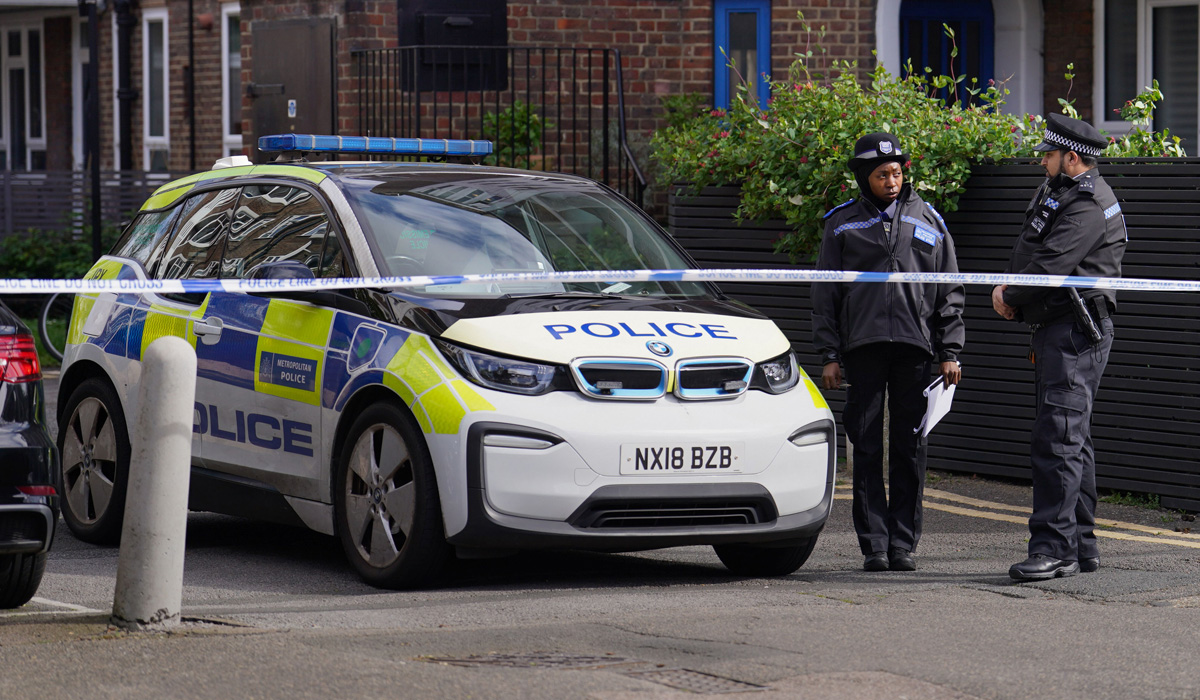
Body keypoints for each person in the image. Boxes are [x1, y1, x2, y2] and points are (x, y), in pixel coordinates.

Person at [813, 132, 965, 572]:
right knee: (865, 447)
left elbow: (949, 290)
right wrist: (830, 354)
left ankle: (903, 543)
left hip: (915, 350)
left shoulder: (930, 220)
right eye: (882, 175)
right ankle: (874, 545)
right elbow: (826, 296)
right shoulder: (840, 223)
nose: (892, 181)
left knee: (909, 445)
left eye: (897, 173)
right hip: (862, 349)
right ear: (864, 178)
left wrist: (949, 351)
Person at [992, 113, 1127, 581]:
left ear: (1071, 157)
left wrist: (1009, 295)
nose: (1042, 162)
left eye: (1048, 155)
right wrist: (1014, 289)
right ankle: (1081, 545)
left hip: (1074, 331)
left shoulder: (1088, 202)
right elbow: (1030, 244)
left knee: (1058, 440)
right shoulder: (1063, 192)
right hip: (1059, 328)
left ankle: (1053, 549)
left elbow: (1051, 263)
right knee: (1074, 438)